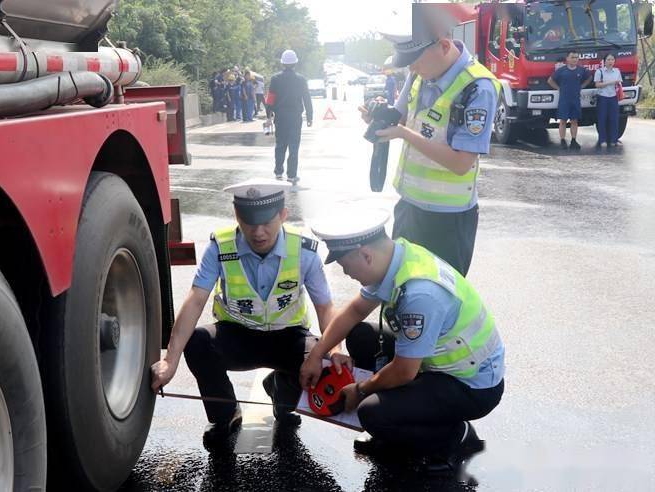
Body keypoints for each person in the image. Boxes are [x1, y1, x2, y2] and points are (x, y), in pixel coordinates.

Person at [301, 211, 505, 475]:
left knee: (372, 413)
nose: (346, 272)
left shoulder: (420, 293)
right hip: (438, 364)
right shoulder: (397, 257)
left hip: (471, 384)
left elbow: (404, 371)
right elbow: (354, 311)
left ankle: (454, 438)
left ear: (366, 255)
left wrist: (361, 390)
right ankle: (401, 425)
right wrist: (317, 354)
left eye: (345, 264)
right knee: (360, 336)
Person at [150, 179, 339, 446]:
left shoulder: (303, 250)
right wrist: (170, 360)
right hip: (238, 335)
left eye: (267, 223)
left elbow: (325, 307)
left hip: (289, 337)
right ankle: (226, 413)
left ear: (283, 215)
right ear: (237, 215)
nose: (258, 232)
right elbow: (195, 301)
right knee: (197, 342)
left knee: (320, 364)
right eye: (249, 223)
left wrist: (334, 349)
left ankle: (280, 390)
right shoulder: (220, 246)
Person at [364, 5, 500, 277]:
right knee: (401, 289)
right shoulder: (421, 73)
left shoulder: (478, 88)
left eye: (415, 59)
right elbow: (401, 119)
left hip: (447, 219)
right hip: (409, 207)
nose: (412, 67)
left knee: (439, 300)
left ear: (445, 45)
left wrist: (404, 135)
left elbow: (461, 163)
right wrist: (377, 117)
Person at [266, 49, 313, 185]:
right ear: (295, 63)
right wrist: (310, 116)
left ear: (282, 63)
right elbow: (306, 99)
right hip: (295, 117)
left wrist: (268, 115)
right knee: (293, 146)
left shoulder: (275, 79)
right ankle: (292, 175)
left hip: (280, 117)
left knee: (280, 145)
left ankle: (278, 173)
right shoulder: (301, 79)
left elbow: (270, 99)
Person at [548, 51, 591, 150]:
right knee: (563, 120)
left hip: (575, 99)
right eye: (572, 57)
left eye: (576, 57)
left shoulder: (581, 70)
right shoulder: (561, 70)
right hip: (564, 99)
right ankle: (562, 140)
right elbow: (550, 80)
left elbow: (589, 78)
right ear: (567, 59)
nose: (574, 59)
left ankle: (574, 140)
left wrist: (582, 86)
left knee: (574, 121)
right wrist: (559, 88)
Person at [594, 53, 622, 148]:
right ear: (604, 61)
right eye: (608, 60)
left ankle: (614, 140)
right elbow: (597, 85)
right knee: (602, 119)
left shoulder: (617, 71)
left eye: (612, 60)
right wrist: (610, 82)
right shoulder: (599, 72)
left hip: (613, 97)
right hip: (603, 97)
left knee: (614, 119)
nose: (610, 62)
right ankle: (602, 140)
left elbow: (618, 83)